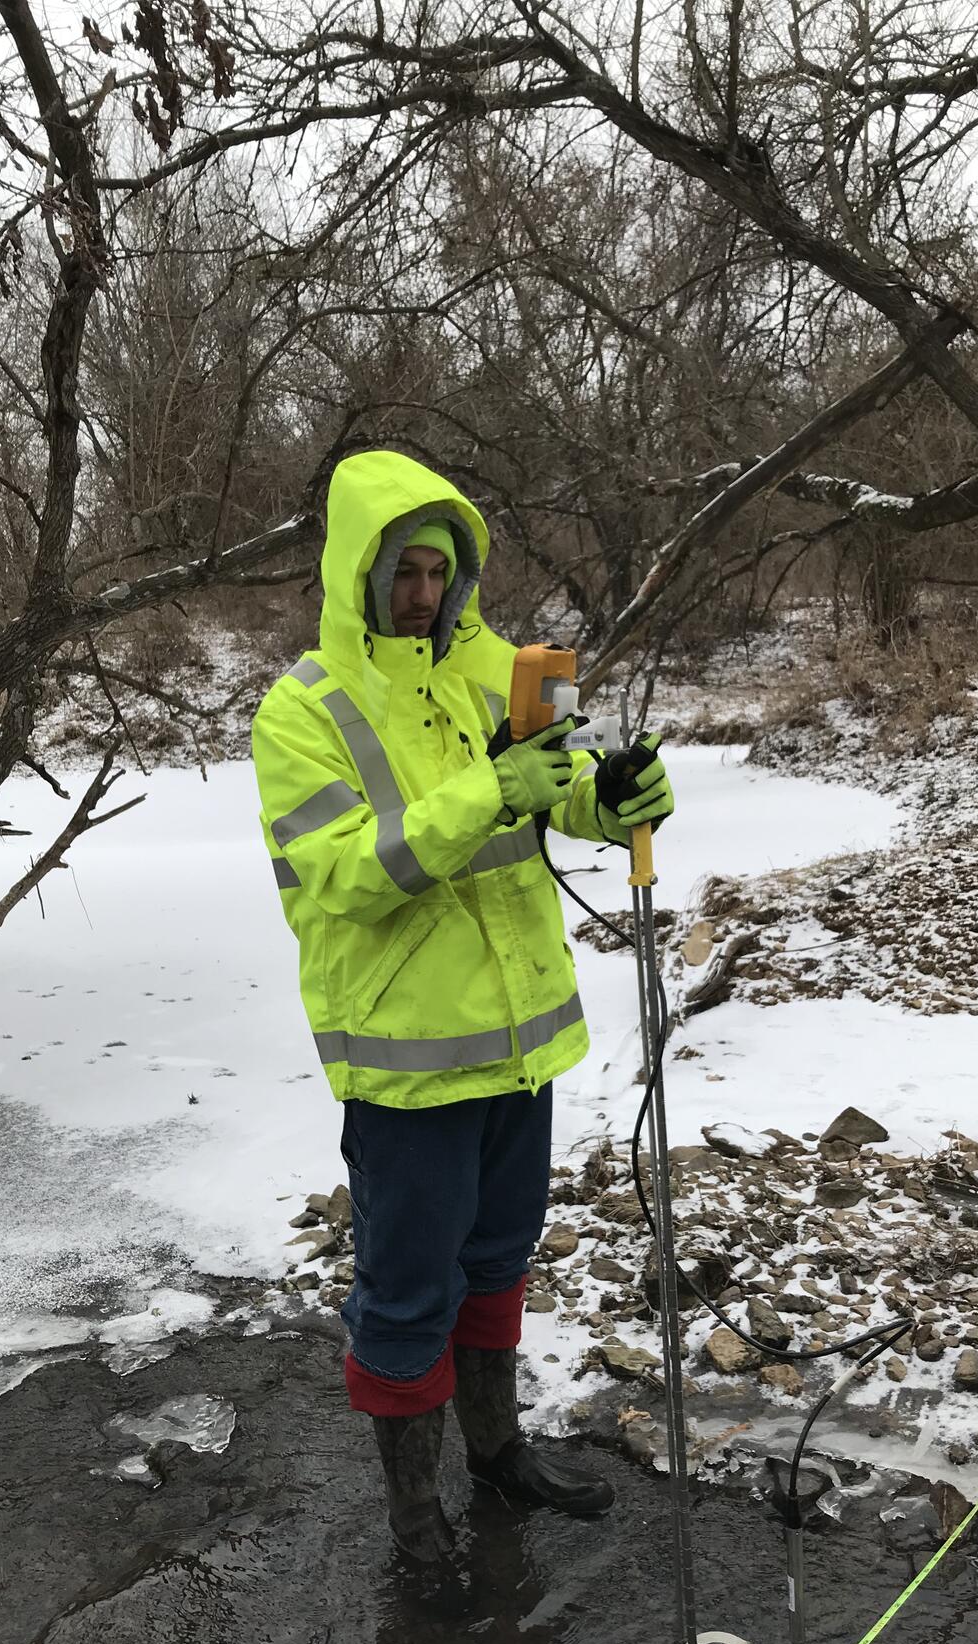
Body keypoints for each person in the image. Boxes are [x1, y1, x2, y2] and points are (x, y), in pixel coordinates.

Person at [252, 450, 673, 1562]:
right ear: (361, 568)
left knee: (498, 1259)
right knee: (404, 1293)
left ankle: (495, 1455)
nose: (425, 591)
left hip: (518, 1045)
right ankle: (415, 1517)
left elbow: (557, 786)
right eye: (404, 569)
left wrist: (612, 796)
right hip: (405, 1059)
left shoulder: (510, 665)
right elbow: (343, 869)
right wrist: (491, 790)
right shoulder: (304, 709)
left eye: (441, 569)